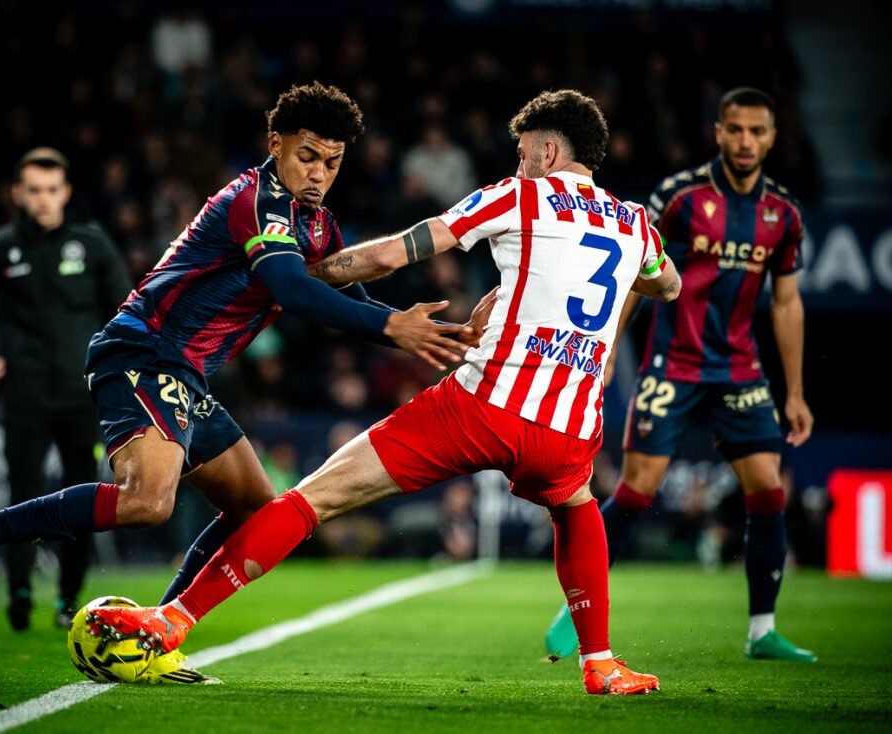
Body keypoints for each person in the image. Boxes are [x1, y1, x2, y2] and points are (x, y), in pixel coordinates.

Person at [86, 89, 682, 695]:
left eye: (524, 153)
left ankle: (174, 618)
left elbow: (397, 252)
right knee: (576, 505)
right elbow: (669, 285)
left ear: (548, 152)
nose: (519, 163)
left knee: (313, 498)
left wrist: (310, 273)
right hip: (569, 423)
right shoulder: (636, 224)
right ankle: (600, 662)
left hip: (484, 403)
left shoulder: (519, 195)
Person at [0, 82, 472, 683]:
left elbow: (348, 297)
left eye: (333, 162)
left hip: (185, 373)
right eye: (308, 156)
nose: (319, 174)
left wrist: (436, 333)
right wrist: (391, 325)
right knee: (147, 501)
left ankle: (154, 632)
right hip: (143, 350)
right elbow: (292, 289)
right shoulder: (254, 200)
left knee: (258, 510)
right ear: (275, 144)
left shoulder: (315, 223)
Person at [544, 86, 816, 663]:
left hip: (739, 368)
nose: (745, 141)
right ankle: (577, 604)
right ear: (718, 132)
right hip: (673, 364)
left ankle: (762, 631)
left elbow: (787, 302)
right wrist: (606, 348)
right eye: (735, 129)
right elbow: (636, 270)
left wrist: (795, 392)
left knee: (768, 490)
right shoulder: (680, 196)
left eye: (757, 131)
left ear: (772, 137)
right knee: (636, 491)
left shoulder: (783, 213)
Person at [0, 147, 131, 630]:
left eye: (52, 190)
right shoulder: (1, 247)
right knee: (22, 495)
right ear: (17, 193)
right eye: (34, 190)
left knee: (83, 498)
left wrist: (116, 370)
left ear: (66, 192)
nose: (43, 199)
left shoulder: (92, 244)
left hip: (81, 395)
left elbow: (125, 307)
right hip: (24, 395)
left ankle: (69, 599)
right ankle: (20, 593)